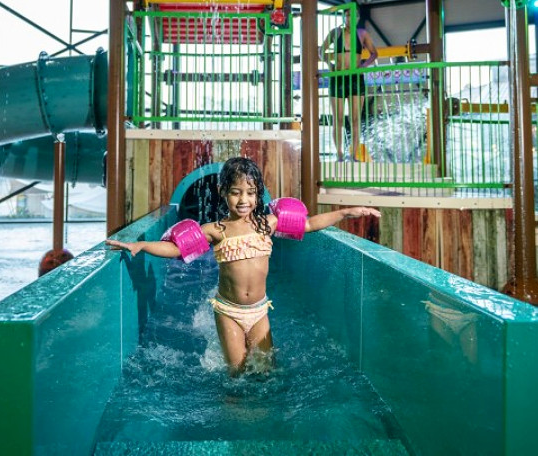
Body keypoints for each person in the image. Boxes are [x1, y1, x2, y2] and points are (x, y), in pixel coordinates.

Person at [106, 157, 380, 375]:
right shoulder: (216, 229)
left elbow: (308, 224)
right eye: (235, 192)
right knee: (236, 373)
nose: (243, 200)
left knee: (266, 371)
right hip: (228, 311)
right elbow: (177, 249)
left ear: (258, 194)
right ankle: (234, 410)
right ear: (222, 192)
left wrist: (344, 213)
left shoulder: (267, 223)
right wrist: (141, 246)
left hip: (259, 310)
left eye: (250, 193)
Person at [319, 8, 379, 162]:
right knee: (337, 119)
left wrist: (364, 66)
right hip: (338, 77)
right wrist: (329, 64)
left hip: (355, 78)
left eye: (352, 15)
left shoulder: (362, 34)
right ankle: (339, 154)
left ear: (357, 17)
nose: (349, 18)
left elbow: (374, 53)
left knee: (355, 119)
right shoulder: (335, 33)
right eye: (346, 15)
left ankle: (353, 155)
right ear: (343, 17)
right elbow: (321, 50)